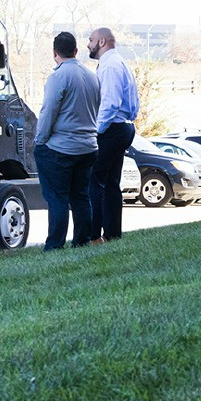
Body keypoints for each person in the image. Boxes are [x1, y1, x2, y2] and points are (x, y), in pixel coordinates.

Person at [33, 32, 100, 249]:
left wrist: (40, 141)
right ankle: (81, 240)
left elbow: (49, 111)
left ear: (55, 53)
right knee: (81, 196)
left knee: (57, 197)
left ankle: (55, 244)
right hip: (88, 146)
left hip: (61, 148)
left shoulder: (58, 77)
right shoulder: (91, 76)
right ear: (76, 50)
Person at [87, 27, 138, 241]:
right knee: (110, 184)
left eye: (90, 40)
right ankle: (112, 234)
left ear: (101, 42)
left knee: (94, 181)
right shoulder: (120, 63)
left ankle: (93, 235)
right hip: (122, 127)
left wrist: (95, 131)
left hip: (111, 129)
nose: (88, 45)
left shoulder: (110, 66)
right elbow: (133, 105)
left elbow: (109, 103)